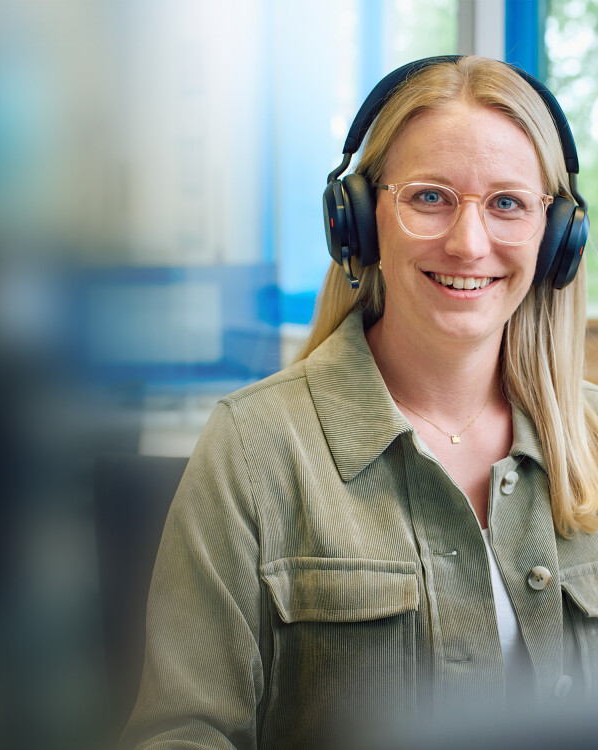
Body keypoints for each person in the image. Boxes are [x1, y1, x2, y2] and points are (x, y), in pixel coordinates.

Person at [122, 56, 598, 750]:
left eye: (507, 204)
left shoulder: (592, 436)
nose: (468, 244)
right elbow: (181, 734)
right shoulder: (255, 449)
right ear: (360, 222)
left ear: (557, 240)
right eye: (430, 197)